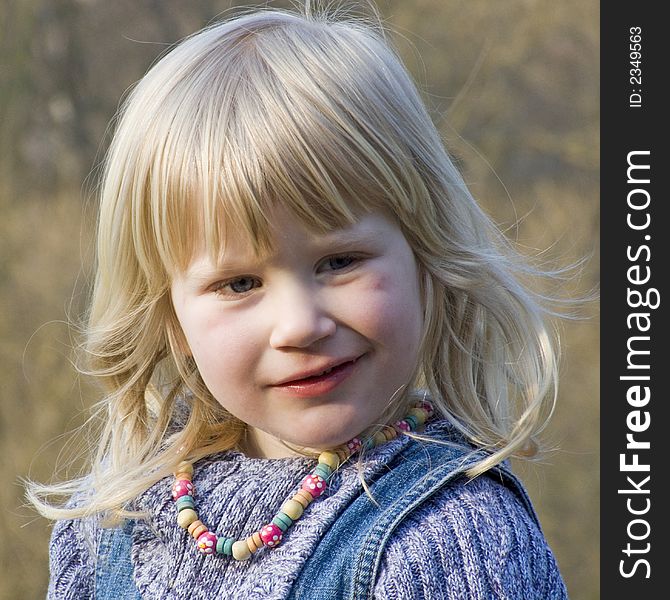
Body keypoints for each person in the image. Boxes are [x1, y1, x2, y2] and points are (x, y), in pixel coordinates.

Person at [29, 3, 569, 598]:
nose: (299, 326)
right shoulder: (109, 519)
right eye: (239, 284)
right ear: (170, 316)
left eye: (339, 262)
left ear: (425, 254)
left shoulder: (448, 541)